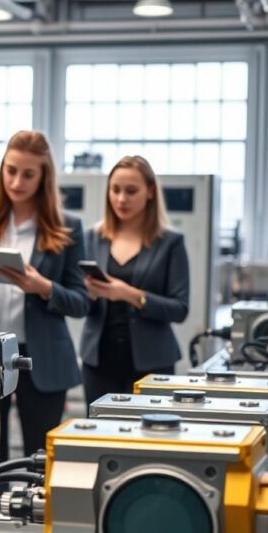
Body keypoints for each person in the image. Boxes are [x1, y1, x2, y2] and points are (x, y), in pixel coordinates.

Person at [0, 130, 89, 481]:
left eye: (28, 174)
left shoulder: (68, 228)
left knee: (39, 462)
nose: (17, 181)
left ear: (44, 177)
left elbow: (81, 302)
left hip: (41, 358)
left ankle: (34, 531)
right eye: (11, 170)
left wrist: (42, 287)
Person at [80, 155, 190, 408]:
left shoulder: (171, 243)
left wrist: (129, 294)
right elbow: (82, 305)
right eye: (115, 190)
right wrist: (90, 294)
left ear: (150, 192)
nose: (121, 199)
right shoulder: (92, 238)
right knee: (100, 441)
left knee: (150, 442)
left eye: (131, 191)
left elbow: (180, 309)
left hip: (153, 363)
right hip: (98, 361)